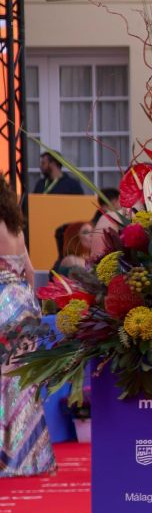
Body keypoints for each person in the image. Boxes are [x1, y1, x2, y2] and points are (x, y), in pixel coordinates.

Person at [0, 185, 56, 478]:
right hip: (23, 303)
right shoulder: (16, 230)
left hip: (1, 303)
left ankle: (6, 460)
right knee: (25, 382)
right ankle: (33, 457)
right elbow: (32, 273)